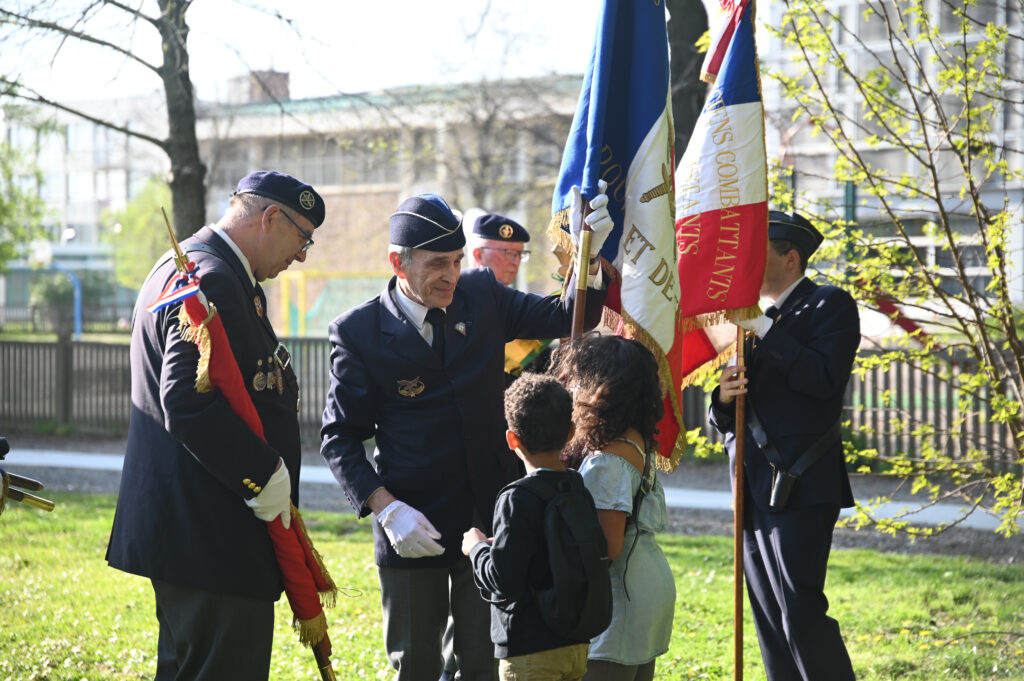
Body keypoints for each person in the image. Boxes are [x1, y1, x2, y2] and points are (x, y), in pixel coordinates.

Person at [320, 189, 613, 681]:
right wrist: (386, 509)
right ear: (398, 262)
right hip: (411, 524)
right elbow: (339, 437)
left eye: (457, 260)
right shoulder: (358, 331)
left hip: (488, 521)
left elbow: (568, 317)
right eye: (437, 263)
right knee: (416, 663)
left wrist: (591, 259)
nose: (451, 275)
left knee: (482, 663)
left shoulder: (481, 293)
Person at [106, 170, 326, 680]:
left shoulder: (196, 265)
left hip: (194, 534)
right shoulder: (213, 277)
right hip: (214, 536)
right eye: (303, 238)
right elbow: (186, 401)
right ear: (271, 217)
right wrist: (263, 474)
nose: (302, 256)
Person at [709, 210, 860, 681]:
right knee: (770, 620)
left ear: (791, 258)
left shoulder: (828, 304)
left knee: (800, 612)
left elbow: (822, 379)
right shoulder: (752, 322)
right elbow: (732, 416)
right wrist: (721, 398)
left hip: (801, 483)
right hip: (751, 488)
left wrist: (764, 328)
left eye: (758, 253)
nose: (747, 264)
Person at [552, 335, 676, 681]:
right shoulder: (632, 436)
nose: (573, 388)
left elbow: (606, 547)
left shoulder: (608, 459)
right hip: (640, 586)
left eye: (580, 380)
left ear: (601, 388)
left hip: (619, 598)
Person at [461, 372, 594, 681]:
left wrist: (477, 548)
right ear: (571, 432)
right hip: (575, 644)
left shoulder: (515, 498)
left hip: (530, 650)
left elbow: (503, 581)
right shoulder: (577, 487)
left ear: (512, 439)